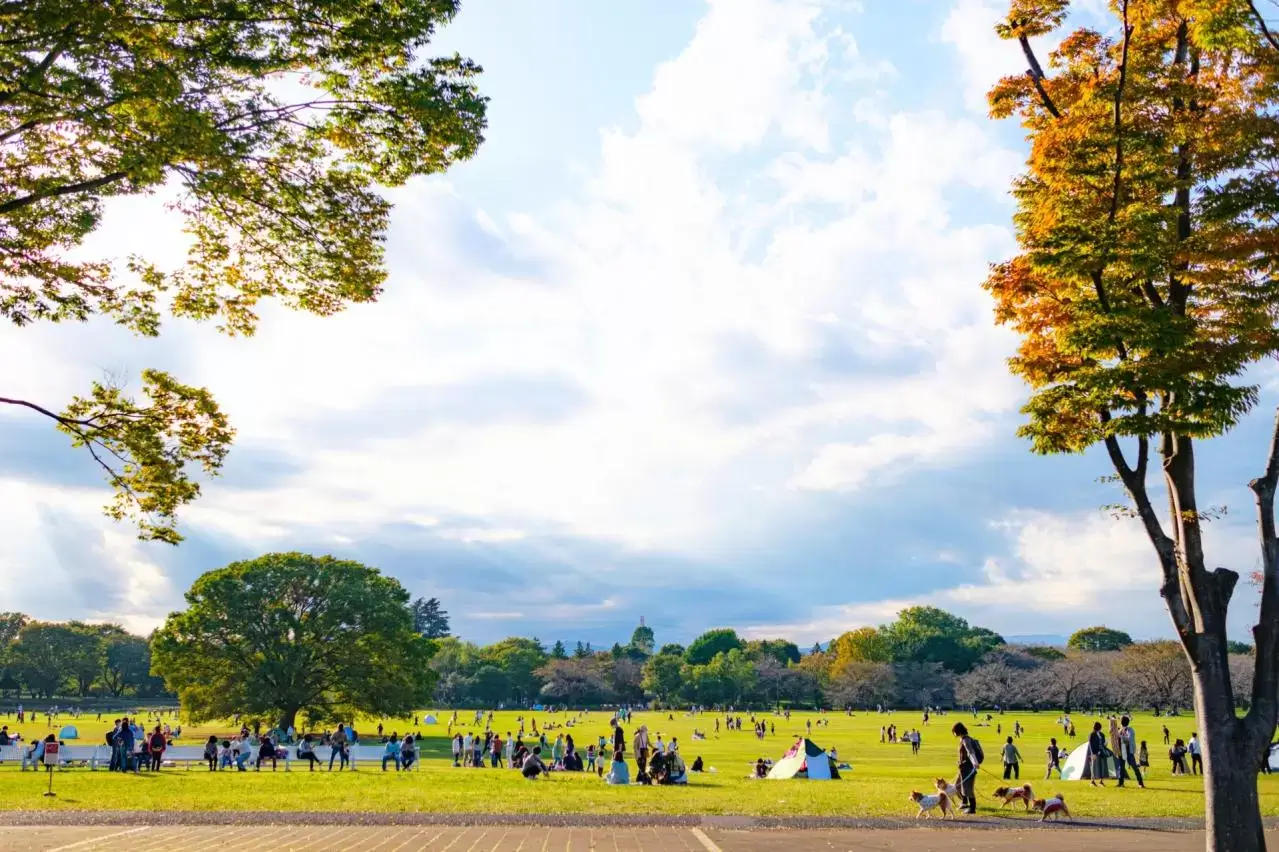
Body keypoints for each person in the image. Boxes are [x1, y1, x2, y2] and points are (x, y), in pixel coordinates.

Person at [951, 722, 980, 815]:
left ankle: (972, 808)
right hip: (963, 768)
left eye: (954, 731)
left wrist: (975, 762)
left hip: (969, 769)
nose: (953, 734)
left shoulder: (966, 740)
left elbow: (970, 752)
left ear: (957, 731)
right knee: (957, 786)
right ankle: (964, 803)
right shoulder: (963, 739)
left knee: (968, 789)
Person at [1116, 716, 1145, 788]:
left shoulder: (1130, 730)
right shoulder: (1119, 730)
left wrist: (1120, 736)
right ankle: (1121, 783)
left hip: (1129, 751)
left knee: (1134, 766)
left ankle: (1140, 783)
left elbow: (1129, 739)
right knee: (1121, 767)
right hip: (1121, 750)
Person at [1087, 721, 1107, 787]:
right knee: (1093, 767)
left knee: (1102, 766)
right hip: (1095, 753)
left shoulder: (1102, 734)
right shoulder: (1091, 734)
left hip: (1101, 752)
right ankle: (1092, 781)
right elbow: (1091, 744)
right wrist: (1093, 753)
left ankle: (1101, 781)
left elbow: (1104, 742)